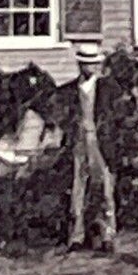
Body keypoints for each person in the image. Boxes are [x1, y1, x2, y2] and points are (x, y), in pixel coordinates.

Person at [57, 41, 124, 253]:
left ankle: (107, 235)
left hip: (101, 143)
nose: (90, 68)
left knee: (105, 189)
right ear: (79, 65)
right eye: (86, 64)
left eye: (94, 63)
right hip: (78, 143)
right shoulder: (68, 91)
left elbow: (118, 116)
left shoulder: (109, 89)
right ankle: (76, 237)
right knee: (77, 191)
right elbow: (62, 118)